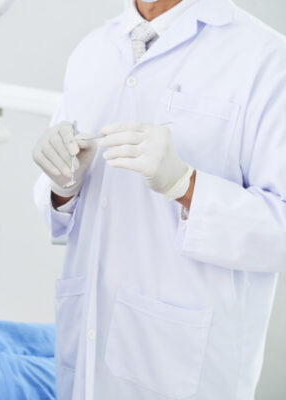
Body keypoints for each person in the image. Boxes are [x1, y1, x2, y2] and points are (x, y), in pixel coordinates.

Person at [32, 0, 286, 399]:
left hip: (188, 370)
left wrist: (186, 186)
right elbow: (63, 214)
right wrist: (62, 186)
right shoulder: (92, 51)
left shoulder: (265, 58)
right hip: (86, 356)